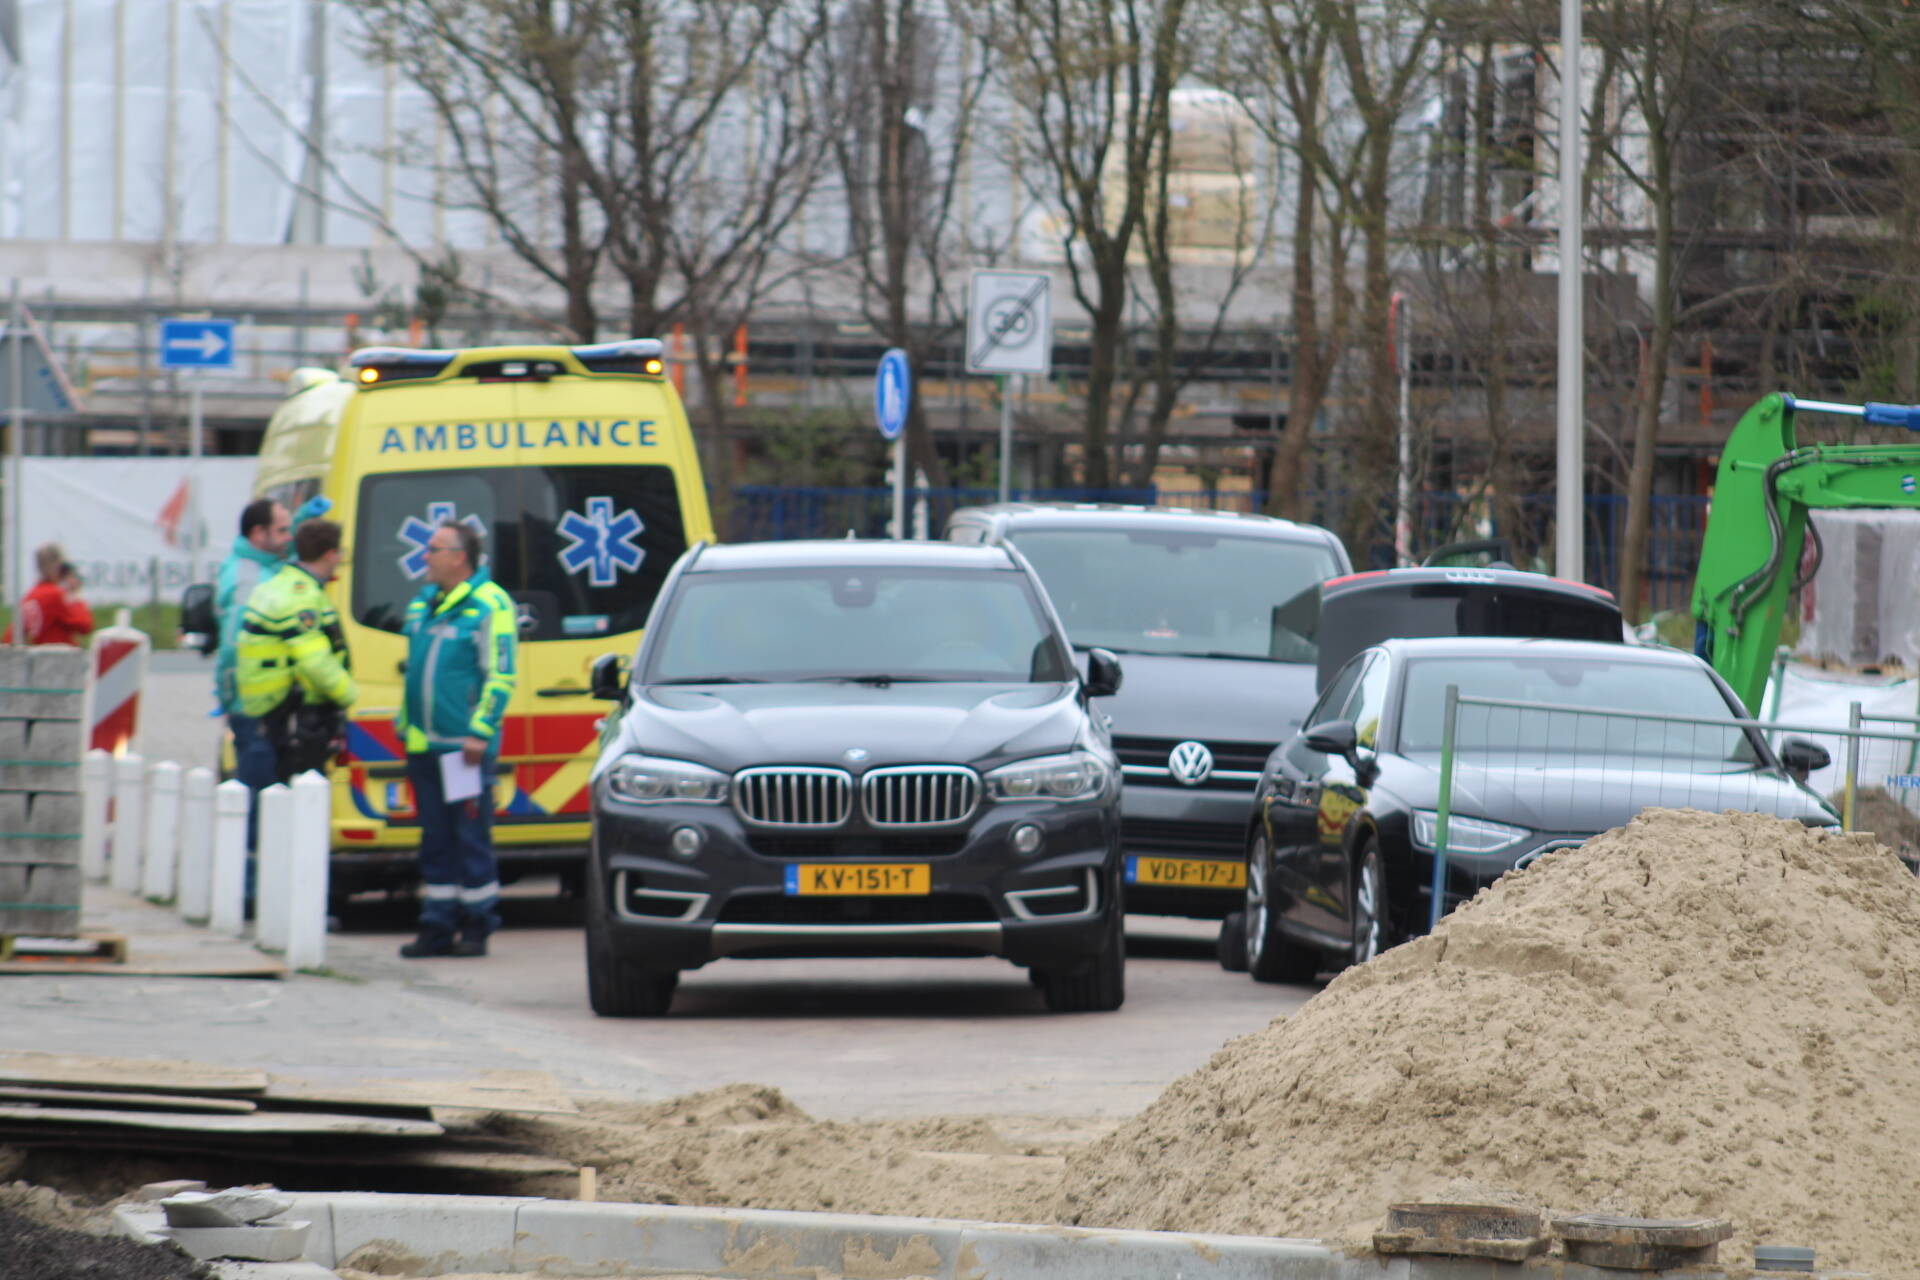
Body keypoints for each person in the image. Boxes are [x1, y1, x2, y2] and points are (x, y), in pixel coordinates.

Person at [395, 519, 517, 959]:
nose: (424, 556)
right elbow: (416, 671)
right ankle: (437, 925)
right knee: (435, 839)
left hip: (463, 748)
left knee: (469, 836)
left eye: (434, 548)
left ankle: (476, 924)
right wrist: (403, 722)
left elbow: (501, 675)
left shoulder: (490, 604)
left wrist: (480, 731)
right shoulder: (424, 604)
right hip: (424, 745)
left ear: (459, 557)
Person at [235, 519, 356, 782]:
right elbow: (314, 661)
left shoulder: (281, 585)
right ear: (329, 554)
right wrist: (351, 696)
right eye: (340, 553)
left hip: (271, 712)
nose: (340, 560)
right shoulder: (301, 595)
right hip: (290, 713)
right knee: (299, 799)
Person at [215, 499, 293, 825]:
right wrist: (245, 703)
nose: (291, 537)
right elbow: (236, 650)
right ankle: (248, 869)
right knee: (258, 798)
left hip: (261, 701)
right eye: (283, 530)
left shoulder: (260, 565)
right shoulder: (249, 579)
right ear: (258, 533)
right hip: (255, 704)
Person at [5, 543, 94, 645]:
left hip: (37, 653)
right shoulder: (55, 594)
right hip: (58, 656)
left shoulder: (31, 595)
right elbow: (84, 625)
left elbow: (10, 636)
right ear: (57, 566)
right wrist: (75, 595)